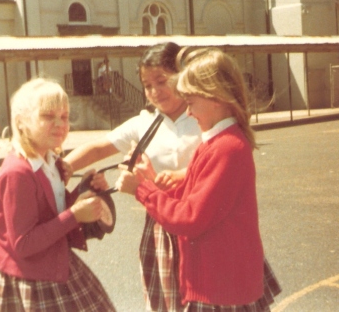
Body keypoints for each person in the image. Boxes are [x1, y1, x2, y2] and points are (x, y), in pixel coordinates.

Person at [115, 47, 274, 311]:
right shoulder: (213, 143)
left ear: (216, 97)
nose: (188, 113)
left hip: (222, 289)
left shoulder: (227, 148)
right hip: (216, 284)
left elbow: (189, 218)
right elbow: (192, 200)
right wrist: (150, 178)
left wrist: (141, 190)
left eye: (190, 102)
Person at [65, 42, 202, 312]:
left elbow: (219, 157)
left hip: (202, 221)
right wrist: (60, 169)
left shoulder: (201, 114)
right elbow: (98, 148)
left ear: (182, 74)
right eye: (147, 85)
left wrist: (181, 175)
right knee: (166, 303)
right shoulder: (145, 122)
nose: (154, 91)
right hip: (162, 225)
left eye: (161, 81)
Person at [0, 78, 116, 312]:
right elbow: (23, 244)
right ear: (22, 122)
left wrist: (84, 191)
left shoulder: (49, 160)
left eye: (64, 116)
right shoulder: (18, 173)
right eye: (48, 116)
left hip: (50, 260)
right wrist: (75, 215)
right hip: (27, 275)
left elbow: (51, 210)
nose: (60, 123)